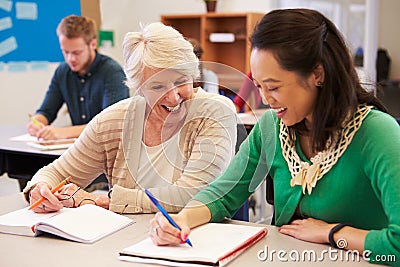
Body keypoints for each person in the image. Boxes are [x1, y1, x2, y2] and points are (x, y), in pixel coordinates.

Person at [149, 9, 400, 266]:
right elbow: (223, 195)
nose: (266, 100)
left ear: (317, 74)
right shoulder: (271, 127)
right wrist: (181, 220)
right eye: (258, 86)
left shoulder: (376, 132)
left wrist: (333, 233)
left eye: (274, 87)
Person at [23, 22, 237, 215]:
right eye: (157, 86)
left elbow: (192, 195)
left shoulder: (216, 112)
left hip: (196, 242)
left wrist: (102, 201)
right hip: (126, 243)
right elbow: (56, 173)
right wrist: (39, 189)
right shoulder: (114, 120)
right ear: (139, 88)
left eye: (181, 81)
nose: (173, 96)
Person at [26, 15, 129, 140]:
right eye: (66, 52)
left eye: (77, 52)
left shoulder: (112, 72)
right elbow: (46, 111)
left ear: (93, 44)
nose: (71, 59)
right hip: (79, 148)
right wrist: (37, 122)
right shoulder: (62, 72)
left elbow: (110, 125)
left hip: (108, 149)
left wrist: (64, 132)